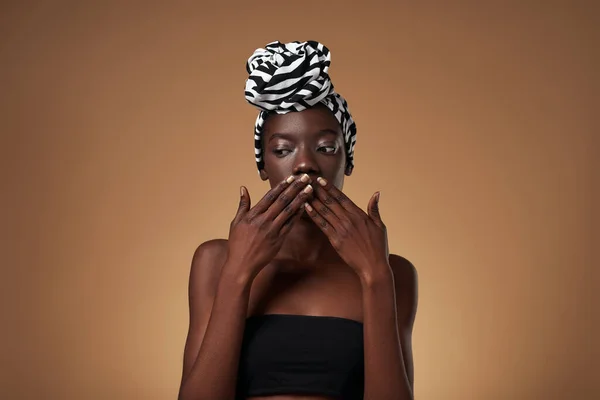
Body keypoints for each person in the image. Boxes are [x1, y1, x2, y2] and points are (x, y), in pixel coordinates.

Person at [177, 41, 418, 400]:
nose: (305, 164)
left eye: (325, 147)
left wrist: (374, 276)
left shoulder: (392, 272)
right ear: (263, 165)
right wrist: (238, 273)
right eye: (282, 150)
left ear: (347, 160)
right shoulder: (215, 261)